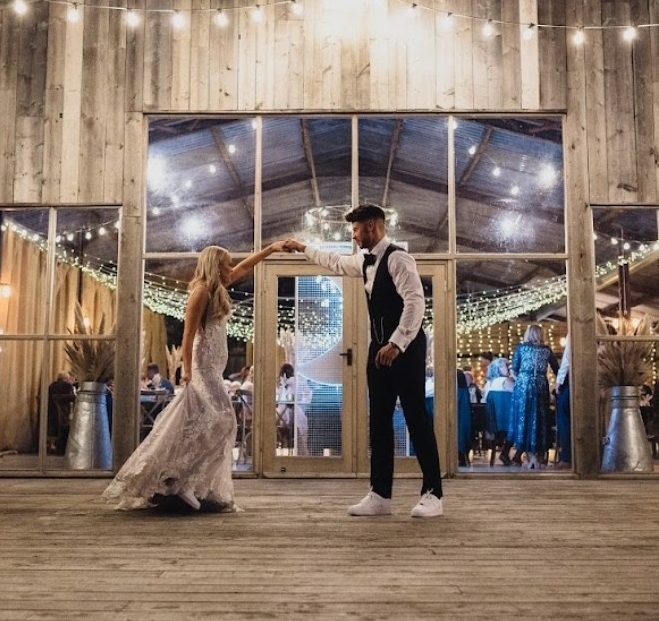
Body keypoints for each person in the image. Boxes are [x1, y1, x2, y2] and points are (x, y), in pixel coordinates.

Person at [284, 203, 443, 517]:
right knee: (379, 421)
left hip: (406, 349)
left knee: (416, 419)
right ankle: (380, 495)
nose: (354, 237)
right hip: (378, 350)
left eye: (356, 230)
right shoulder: (366, 261)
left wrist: (397, 343)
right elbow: (335, 262)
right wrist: (303, 248)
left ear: (372, 226)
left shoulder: (398, 258)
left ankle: (433, 494)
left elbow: (415, 302)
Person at [102, 240, 285, 511]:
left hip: (215, 366)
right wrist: (186, 370)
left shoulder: (219, 287)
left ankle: (191, 482)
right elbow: (188, 335)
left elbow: (245, 267)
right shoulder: (200, 292)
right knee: (222, 420)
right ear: (215, 266)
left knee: (210, 422)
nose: (230, 267)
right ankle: (181, 480)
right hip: (203, 365)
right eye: (226, 263)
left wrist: (270, 250)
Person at [503, 323, 559, 470]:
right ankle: (538, 457)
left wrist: (521, 379)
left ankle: (528, 457)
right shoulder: (547, 350)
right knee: (540, 419)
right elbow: (557, 370)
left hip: (523, 385)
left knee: (524, 419)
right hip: (541, 384)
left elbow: (514, 369)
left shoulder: (521, 348)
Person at [47, 371, 77, 455]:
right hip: (64, 414)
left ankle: (52, 444)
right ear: (66, 379)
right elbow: (73, 398)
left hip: (51, 413)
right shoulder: (68, 387)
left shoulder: (51, 386)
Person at [554, 336, 572, 469]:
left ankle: (566, 457)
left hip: (572, 377)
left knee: (564, 418)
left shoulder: (574, 333)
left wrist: (559, 381)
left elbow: (567, 359)